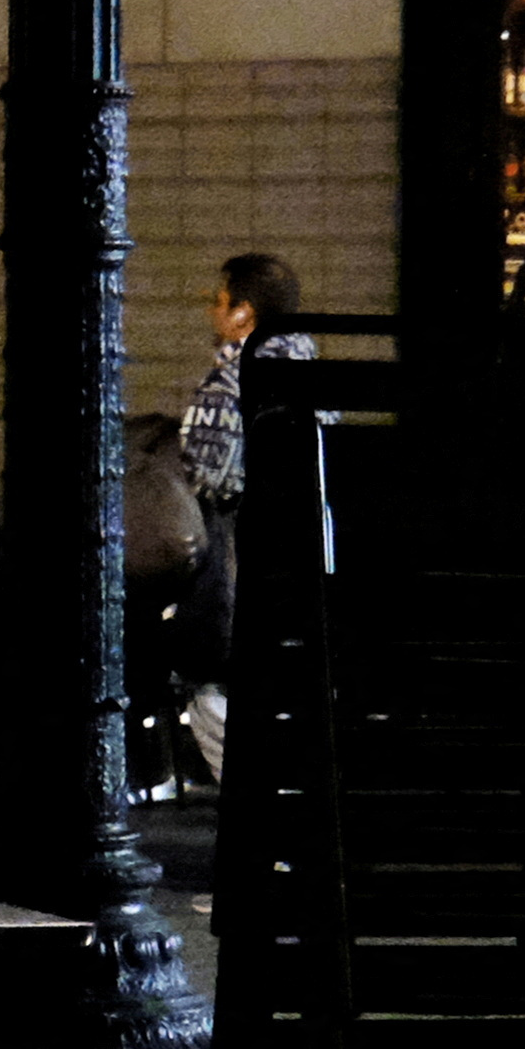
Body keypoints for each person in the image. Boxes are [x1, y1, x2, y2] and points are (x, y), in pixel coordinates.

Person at [174, 248, 311, 779]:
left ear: (244, 315)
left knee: (212, 687)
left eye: (220, 301)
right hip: (302, 561)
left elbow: (210, 477)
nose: (212, 311)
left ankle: (260, 804)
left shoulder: (230, 383)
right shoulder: (310, 371)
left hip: (240, 558)